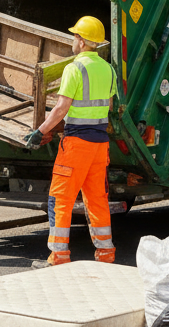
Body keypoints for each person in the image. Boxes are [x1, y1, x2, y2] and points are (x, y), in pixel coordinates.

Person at [22, 15, 117, 269]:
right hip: (100, 146)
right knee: (97, 198)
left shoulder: (74, 69)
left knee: (60, 199)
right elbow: (108, 106)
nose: (72, 40)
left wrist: (40, 131)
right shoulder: (108, 69)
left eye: (75, 36)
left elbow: (61, 108)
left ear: (82, 41)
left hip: (76, 145)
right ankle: (105, 254)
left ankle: (59, 257)